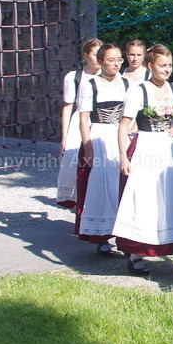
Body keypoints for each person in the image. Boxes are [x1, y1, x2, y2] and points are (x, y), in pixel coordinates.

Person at [113, 44, 173, 278]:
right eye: (163, 65)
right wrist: (124, 157)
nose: (167, 69)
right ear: (150, 66)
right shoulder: (139, 90)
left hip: (169, 149)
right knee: (146, 200)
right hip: (146, 149)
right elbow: (123, 126)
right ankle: (136, 254)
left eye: (170, 65)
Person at [75, 43, 130, 255]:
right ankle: (101, 235)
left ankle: (125, 236)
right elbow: (83, 118)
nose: (115, 64)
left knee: (122, 186)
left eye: (118, 59)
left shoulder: (127, 84)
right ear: (100, 61)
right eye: (110, 60)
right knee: (101, 187)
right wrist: (88, 147)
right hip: (99, 136)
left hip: (120, 137)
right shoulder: (90, 84)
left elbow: (131, 114)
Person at [57, 38, 101, 208]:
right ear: (86, 55)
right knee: (74, 162)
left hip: (99, 121)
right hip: (79, 122)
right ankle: (77, 201)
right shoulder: (74, 77)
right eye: (96, 55)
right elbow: (67, 107)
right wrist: (64, 137)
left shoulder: (111, 76)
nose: (99, 59)